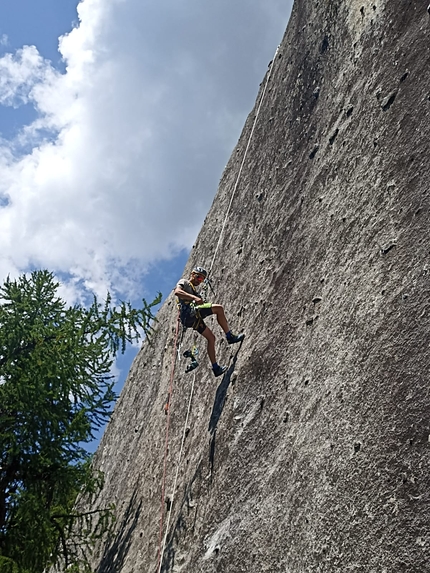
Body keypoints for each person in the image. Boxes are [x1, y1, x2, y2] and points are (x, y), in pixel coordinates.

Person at [174, 266, 245, 377]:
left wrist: (197, 298)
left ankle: (216, 368)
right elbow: (177, 292)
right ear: (192, 274)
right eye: (198, 277)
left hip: (193, 318)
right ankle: (230, 337)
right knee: (219, 308)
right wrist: (194, 298)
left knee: (211, 338)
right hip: (190, 313)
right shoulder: (184, 282)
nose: (199, 280)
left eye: (201, 279)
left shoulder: (193, 289)